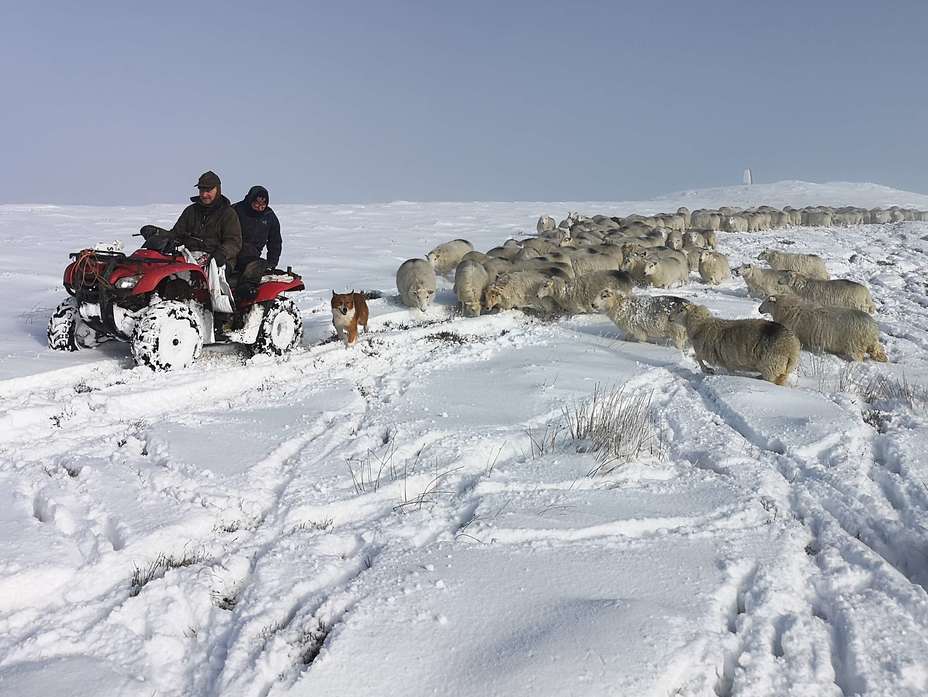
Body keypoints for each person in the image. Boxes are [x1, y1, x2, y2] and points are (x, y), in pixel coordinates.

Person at [170, 171, 242, 270]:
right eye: (201, 190)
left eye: (208, 190)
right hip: (191, 258)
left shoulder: (228, 213)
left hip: (220, 261)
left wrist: (222, 253)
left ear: (218, 190)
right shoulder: (191, 211)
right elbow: (176, 233)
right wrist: (159, 235)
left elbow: (234, 242)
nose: (204, 195)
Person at [233, 185, 282, 290]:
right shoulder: (236, 210)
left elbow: (275, 242)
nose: (260, 207)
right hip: (232, 253)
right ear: (250, 200)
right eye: (257, 203)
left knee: (260, 264)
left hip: (252, 258)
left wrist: (272, 264)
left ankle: (246, 288)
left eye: (263, 204)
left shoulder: (269, 217)